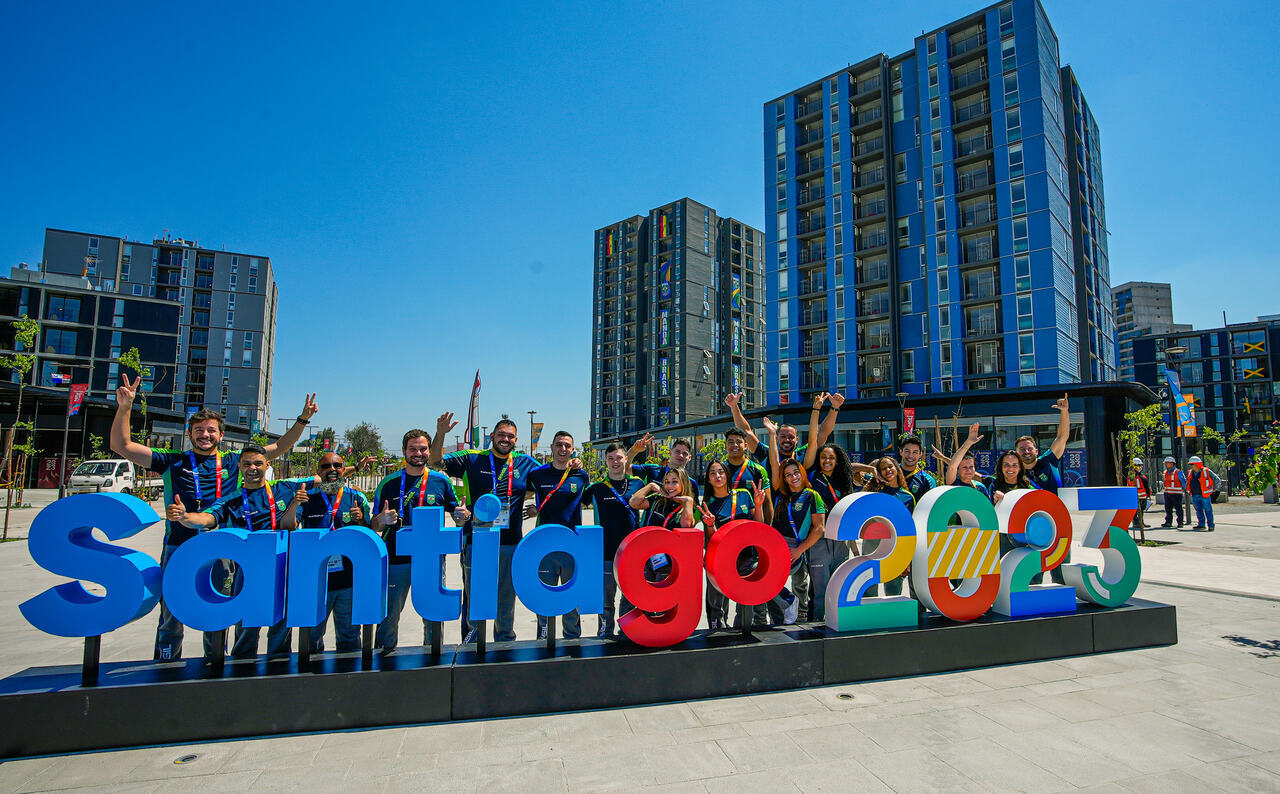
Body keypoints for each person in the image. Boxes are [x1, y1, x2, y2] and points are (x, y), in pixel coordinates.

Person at [111, 374, 318, 661]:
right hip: (180, 545)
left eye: (211, 431)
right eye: (198, 430)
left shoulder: (235, 461)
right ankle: (166, 664)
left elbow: (279, 447)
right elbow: (123, 447)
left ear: (221, 435)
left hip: (224, 548)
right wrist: (125, 407)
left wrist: (303, 420)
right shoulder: (173, 460)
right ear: (189, 433)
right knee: (172, 612)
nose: (205, 435)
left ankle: (214, 665)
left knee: (219, 612)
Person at [166, 444, 305, 659]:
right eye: (247, 463)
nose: (253, 467)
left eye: (258, 463)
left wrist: (296, 503)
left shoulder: (284, 490)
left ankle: (278, 669)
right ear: (239, 466)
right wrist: (185, 517)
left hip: (280, 567)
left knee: (281, 626)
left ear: (267, 465)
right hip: (245, 571)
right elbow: (208, 518)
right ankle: (242, 669)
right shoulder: (231, 500)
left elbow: (292, 520)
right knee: (247, 629)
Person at [434, 417, 540, 642]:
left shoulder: (525, 463)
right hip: (477, 541)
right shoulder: (473, 458)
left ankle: (504, 643)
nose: (506, 439)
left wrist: (538, 506)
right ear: (492, 437)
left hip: (510, 543)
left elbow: (553, 480)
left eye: (510, 436)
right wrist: (440, 433)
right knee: (475, 598)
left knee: (506, 600)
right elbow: (435, 461)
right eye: (501, 434)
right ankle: (471, 644)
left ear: (516, 440)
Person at [371, 429, 469, 655]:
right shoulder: (389, 483)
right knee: (389, 614)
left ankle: (433, 657)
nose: (418, 453)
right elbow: (373, 525)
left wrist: (461, 516)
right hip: (397, 559)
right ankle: (384, 657)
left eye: (423, 449)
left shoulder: (440, 481)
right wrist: (381, 520)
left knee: (433, 614)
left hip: (431, 559)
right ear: (404, 451)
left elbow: (457, 513)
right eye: (413, 449)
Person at [294, 451, 373, 654]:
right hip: (317, 581)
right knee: (311, 637)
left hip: (349, 581)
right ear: (318, 471)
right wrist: (295, 503)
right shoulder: (307, 499)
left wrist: (361, 520)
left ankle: (347, 681)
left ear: (343, 469)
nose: (332, 470)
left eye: (337, 466)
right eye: (326, 466)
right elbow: (289, 526)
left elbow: (370, 534)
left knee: (349, 638)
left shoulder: (356, 497)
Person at [528, 431, 591, 640]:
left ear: (572, 449)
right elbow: (522, 492)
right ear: (552, 447)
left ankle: (572, 639)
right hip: (544, 546)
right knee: (544, 596)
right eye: (559, 445)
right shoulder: (537, 475)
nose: (562, 449)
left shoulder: (581, 475)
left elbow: (590, 499)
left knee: (571, 598)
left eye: (567, 446)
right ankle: (543, 638)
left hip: (572, 546)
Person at [585, 443, 645, 637]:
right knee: (605, 601)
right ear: (606, 461)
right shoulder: (596, 488)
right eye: (610, 458)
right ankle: (605, 634)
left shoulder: (637, 484)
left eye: (619, 457)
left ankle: (627, 633)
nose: (615, 462)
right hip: (605, 554)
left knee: (630, 598)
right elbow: (569, 501)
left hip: (631, 553)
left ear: (626, 459)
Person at [698, 460, 766, 629]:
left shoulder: (744, 494)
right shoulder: (707, 504)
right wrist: (710, 525)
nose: (717, 476)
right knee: (717, 606)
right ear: (708, 479)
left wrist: (758, 506)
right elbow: (711, 540)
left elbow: (758, 525)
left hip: (746, 558)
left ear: (727, 475)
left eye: (720, 472)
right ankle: (718, 632)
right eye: (712, 473)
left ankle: (739, 633)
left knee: (744, 604)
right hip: (721, 560)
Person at [764, 456, 826, 625]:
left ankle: (796, 611)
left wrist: (800, 550)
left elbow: (819, 528)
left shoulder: (812, 496)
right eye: (788, 475)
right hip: (774, 545)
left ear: (802, 473)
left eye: (796, 472)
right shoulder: (780, 496)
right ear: (784, 479)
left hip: (794, 546)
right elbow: (773, 462)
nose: (794, 477)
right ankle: (779, 618)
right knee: (764, 581)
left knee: (788, 583)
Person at [801, 443, 856, 623]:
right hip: (819, 539)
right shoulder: (812, 477)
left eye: (831, 458)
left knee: (839, 585)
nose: (827, 461)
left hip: (840, 539)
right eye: (824, 457)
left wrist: (854, 546)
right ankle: (816, 623)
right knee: (820, 589)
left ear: (837, 460)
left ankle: (837, 621)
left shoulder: (843, 480)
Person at [861, 456, 915, 596]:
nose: (887, 470)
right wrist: (870, 469)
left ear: (897, 469)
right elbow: (852, 471)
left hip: (896, 546)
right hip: (872, 543)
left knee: (894, 590)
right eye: (883, 469)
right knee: (869, 587)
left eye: (890, 466)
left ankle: (892, 617)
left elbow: (909, 529)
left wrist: (907, 559)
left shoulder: (908, 496)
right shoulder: (874, 493)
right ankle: (871, 617)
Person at [1016, 394, 1071, 494]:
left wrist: (1064, 411)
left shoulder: (1048, 461)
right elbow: (986, 479)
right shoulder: (1013, 472)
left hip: (1054, 508)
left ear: (1036, 451)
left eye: (1029, 448)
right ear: (1016, 453)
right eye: (1022, 449)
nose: (1026, 452)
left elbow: (1062, 437)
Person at [631, 436, 701, 501]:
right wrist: (634, 450)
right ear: (670, 453)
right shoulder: (652, 470)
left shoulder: (691, 483)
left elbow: (695, 510)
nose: (680, 455)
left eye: (685, 453)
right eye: (677, 451)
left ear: (689, 458)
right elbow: (625, 468)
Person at [722, 428, 771, 493]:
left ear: (745, 446)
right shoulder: (719, 470)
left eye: (739, 442)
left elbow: (768, 502)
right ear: (726, 446)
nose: (735, 445)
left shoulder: (758, 470)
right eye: (731, 442)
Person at [897, 433, 937, 506]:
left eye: (915, 452)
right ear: (901, 452)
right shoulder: (890, 474)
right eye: (907, 451)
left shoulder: (927, 481)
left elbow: (931, 507)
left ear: (920, 454)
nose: (910, 455)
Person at [1187, 456, 1216, 531]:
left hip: (1205, 495)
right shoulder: (1190, 472)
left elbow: (1216, 479)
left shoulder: (1206, 471)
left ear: (1197, 464)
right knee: (1198, 510)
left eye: (1192, 464)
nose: (1191, 466)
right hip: (1194, 495)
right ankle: (1201, 524)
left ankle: (1211, 525)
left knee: (1208, 510)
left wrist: (1214, 490)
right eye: (1190, 464)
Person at [1160, 456, 1187, 529]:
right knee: (1168, 509)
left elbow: (1184, 482)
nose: (1165, 464)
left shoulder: (1178, 472)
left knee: (1178, 509)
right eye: (1165, 463)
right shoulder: (1165, 472)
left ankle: (1180, 522)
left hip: (1176, 494)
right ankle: (1168, 522)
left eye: (1167, 463)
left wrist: (1183, 490)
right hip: (1167, 493)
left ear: (1172, 463)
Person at [1128, 458, 1152, 531]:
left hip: (1143, 497)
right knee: (1135, 511)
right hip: (1136, 497)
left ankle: (1141, 522)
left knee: (1141, 511)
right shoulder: (1132, 475)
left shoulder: (1141, 476)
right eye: (1139, 466)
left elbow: (1146, 487)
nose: (1141, 467)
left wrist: (1148, 495)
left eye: (1141, 466)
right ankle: (1136, 523)